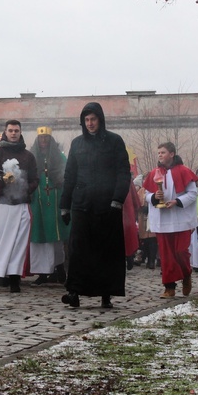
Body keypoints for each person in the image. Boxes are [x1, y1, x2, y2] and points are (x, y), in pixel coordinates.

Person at [60, 102, 131, 308]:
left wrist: (118, 199)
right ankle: (74, 292)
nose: (90, 123)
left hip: (107, 205)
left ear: (100, 119)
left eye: (93, 119)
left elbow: (123, 172)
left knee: (105, 250)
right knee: (78, 250)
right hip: (82, 204)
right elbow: (69, 175)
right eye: (86, 120)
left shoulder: (114, 142)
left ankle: (106, 293)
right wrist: (64, 204)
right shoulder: (77, 144)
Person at [0, 119, 38, 293]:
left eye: (16, 130)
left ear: (20, 132)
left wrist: (24, 189)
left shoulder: (28, 156)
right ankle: (2, 274)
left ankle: (15, 277)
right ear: (5, 132)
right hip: (1, 203)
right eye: (10, 130)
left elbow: (35, 180)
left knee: (18, 243)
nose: (13, 133)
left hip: (20, 204)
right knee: (1, 241)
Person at [144, 142, 198, 299]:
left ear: (172, 154)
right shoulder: (154, 172)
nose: (160, 155)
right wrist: (154, 197)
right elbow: (146, 194)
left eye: (163, 152)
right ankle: (169, 287)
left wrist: (176, 201)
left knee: (181, 251)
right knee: (166, 256)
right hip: (162, 220)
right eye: (159, 152)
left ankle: (186, 274)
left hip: (181, 219)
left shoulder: (184, 171)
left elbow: (193, 194)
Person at [29, 126, 70, 286]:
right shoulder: (32, 157)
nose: (43, 141)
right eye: (41, 138)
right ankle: (42, 273)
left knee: (56, 237)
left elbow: (66, 175)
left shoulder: (59, 157)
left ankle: (59, 269)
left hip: (54, 199)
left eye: (46, 138)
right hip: (37, 201)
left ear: (51, 140)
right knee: (39, 237)